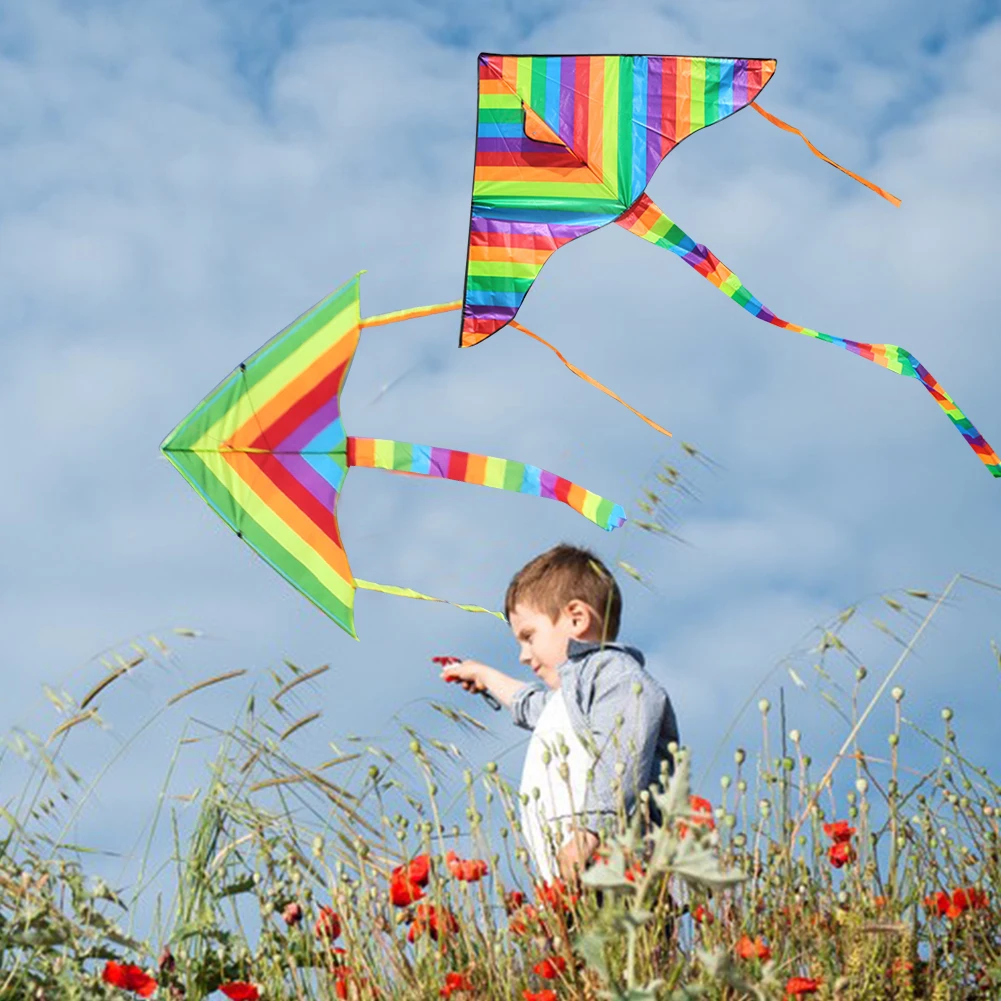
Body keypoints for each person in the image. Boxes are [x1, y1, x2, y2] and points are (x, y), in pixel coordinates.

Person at [441, 543, 679, 884]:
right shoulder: (567, 700)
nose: (523, 655)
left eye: (528, 636)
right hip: (577, 875)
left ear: (576, 619)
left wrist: (589, 832)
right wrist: (484, 676)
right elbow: (529, 704)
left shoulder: (611, 673)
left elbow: (622, 748)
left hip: (620, 867)